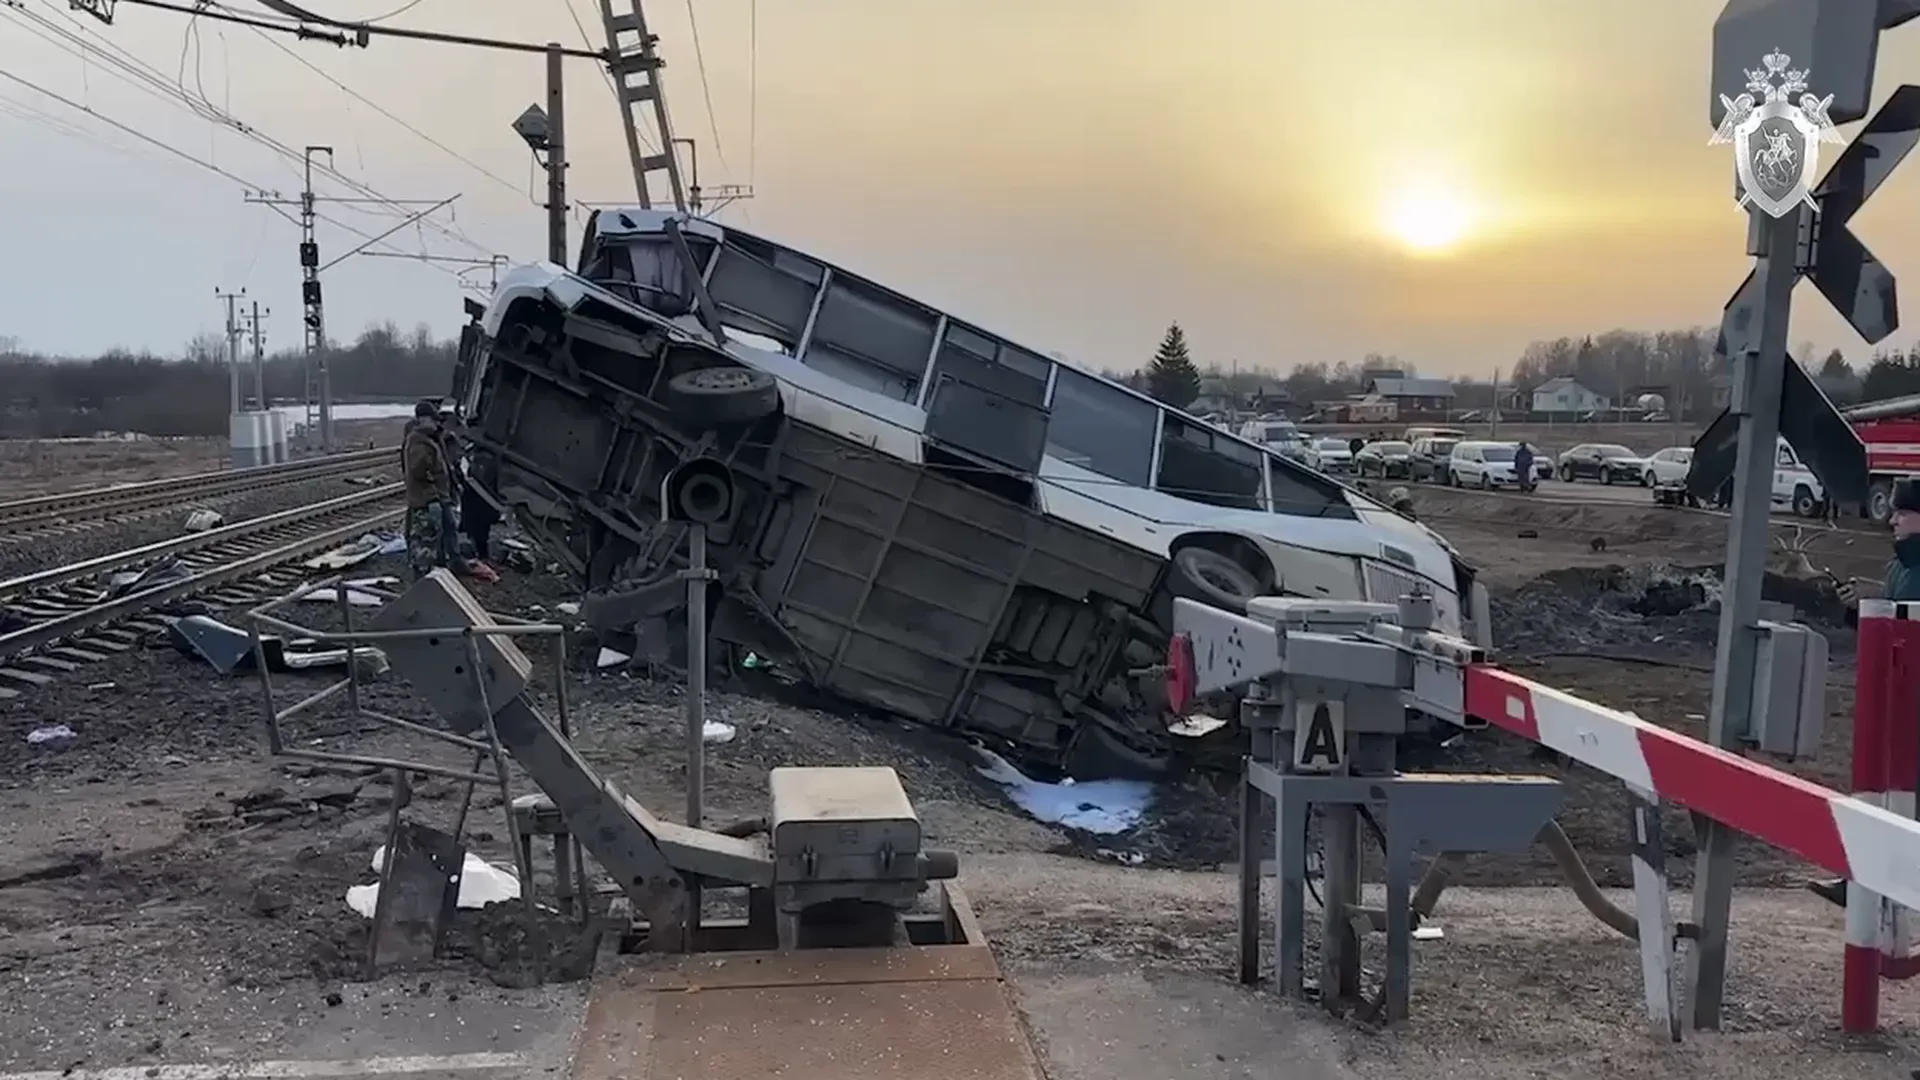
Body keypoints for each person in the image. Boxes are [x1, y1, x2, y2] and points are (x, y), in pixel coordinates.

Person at [1809, 478, 1920, 908]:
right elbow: (1890, 632)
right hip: (1897, 697)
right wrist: (1860, 612)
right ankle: (1865, 883)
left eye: (1903, 512)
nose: (1892, 519)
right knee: (1882, 792)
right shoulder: (1898, 569)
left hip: (1912, 702)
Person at [401, 400, 453, 582]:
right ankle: (422, 584)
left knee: (429, 542)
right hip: (427, 500)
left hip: (429, 499)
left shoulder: (425, 439)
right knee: (425, 544)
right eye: (433, 419)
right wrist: (434, 495)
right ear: (423, 419)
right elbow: (420, 471)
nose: (436, 423)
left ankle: (426, 580)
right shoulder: (419, 442)